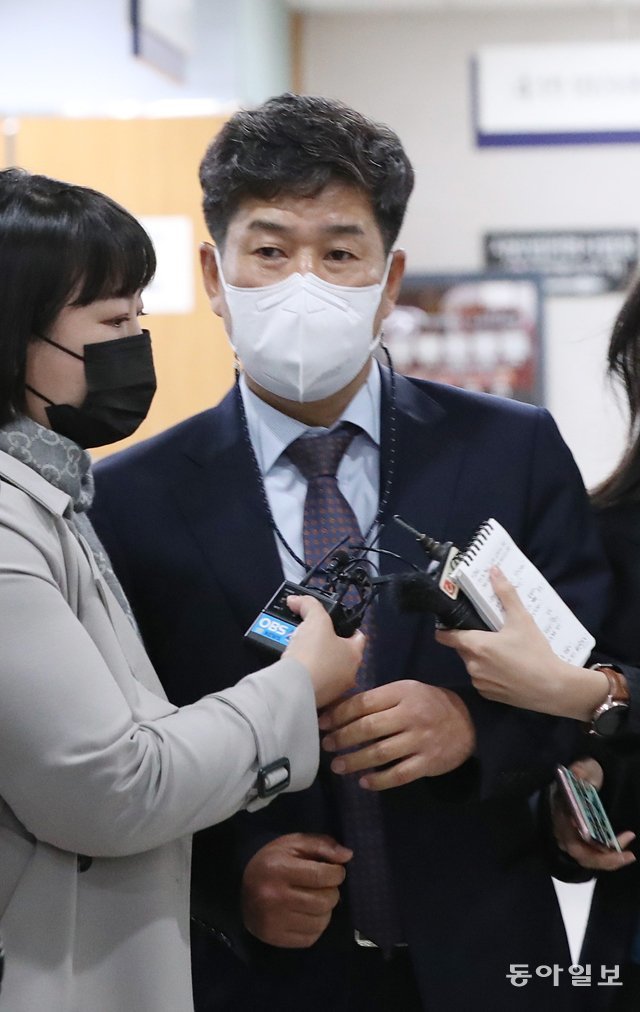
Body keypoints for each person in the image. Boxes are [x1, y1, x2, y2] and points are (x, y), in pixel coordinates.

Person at [91, 93, 610, 1011]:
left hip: (488, 955)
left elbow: (600, 677)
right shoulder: (129, 500)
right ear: (214, 273)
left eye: (338, 254)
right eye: (269, 251)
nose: (304, 282)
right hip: (260, 977)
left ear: (389, 277)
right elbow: (107, 756)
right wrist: (224, 879)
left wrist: (472, 729)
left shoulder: (510, 451)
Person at [0, 167, 364, 1012]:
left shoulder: (54, 497)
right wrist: (295, 686)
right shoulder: (14, 522)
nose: (136, 342)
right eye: (112, 321)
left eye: (140, 315)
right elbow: (110, 786)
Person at [437, 276, 640, 1009]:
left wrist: (599, 694)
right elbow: (586, 758)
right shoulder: (606, 532)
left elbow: (592, 697)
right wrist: (568, 816)